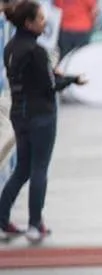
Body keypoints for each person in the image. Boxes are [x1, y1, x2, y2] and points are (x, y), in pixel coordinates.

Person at [0, 0, 86, 243]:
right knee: (39, 169)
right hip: (41, 115)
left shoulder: (10, 48)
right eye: (40, 19)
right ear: (29, 23)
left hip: (19, 113)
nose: (44, 22)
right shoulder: (37, 52)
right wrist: (72, 80)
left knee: (22, 169)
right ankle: (34, 224)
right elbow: (49, 85)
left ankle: (2, 219)